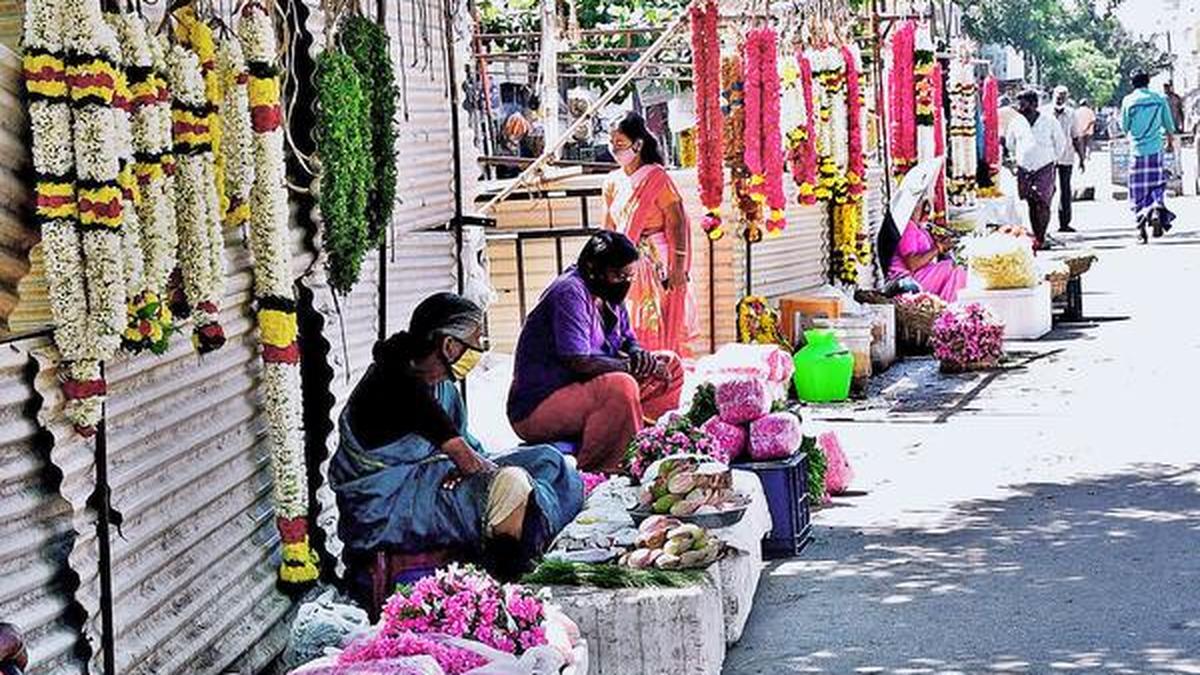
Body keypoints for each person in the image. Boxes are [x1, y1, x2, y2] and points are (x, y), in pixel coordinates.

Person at [330, 293, 584, 584]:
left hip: (433, 476)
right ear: (450, 346)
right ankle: (512, 577)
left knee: (548, 459)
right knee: (512, 485)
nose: (479, 349)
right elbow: (468, 461)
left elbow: (466, 449)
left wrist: (462, 466)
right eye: (476, 341)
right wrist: (469, 469)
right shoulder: (396, 384)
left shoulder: (439, 382)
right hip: (390, 503)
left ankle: (537, 531)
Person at [507, 231, 685, 473]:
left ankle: (648, 442)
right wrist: (628, 367)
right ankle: (611, 468)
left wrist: (638, 354)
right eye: (619, 275)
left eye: (629, 276)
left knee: (669, 366)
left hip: (585, 390)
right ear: (593, 268)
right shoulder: (570, 291)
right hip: (539, 406)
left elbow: (628, 340)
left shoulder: (609, 293)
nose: (625, 282)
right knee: (620, 386)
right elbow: (577, 361)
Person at [602, 112, 700, 356]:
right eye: (612, 143)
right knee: (629, 322)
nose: (615, 149)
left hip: (658, 265)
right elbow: (608, 228)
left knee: (657, 322)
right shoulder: (612, 182)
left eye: (621, 143)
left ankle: (662, 370)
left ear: (638, 144)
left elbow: (676, 220)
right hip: (626, 265)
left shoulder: (656, 178)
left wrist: (678, 267)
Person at [1005, 89, 1067, 250]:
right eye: (1019, 103)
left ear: (1034, 104)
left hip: (1044, 167)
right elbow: (1010, 144)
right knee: (1031, 202)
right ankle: (1038, 237)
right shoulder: (1016, 122)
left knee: (1044, 203)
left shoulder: (1049, 121)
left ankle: (1041, 235)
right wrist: (1018, 159)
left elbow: (1060, 143)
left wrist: (1052, 160)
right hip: (1024, 168)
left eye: (1023, 103)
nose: (1020, 106)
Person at [1121, 70, 1177, 241]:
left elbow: (1125, 127)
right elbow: (1169, 124)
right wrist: (1169, 142)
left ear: (1132, 83)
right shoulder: (1159, 99)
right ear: (1148, 82)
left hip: (1137, 151)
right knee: (1157, 184)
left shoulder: (1128, 101)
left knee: (1137, 189)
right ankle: (1155, 209)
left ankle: (1140, 227)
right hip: (1155, 150)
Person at [889, 197, 968, 303]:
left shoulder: (919, 228)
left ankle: (948, 307)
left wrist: (938, 243)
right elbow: (912, 264)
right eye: (924, 209)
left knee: (955, 268)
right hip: (906, 278)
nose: (927, 215)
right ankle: (948, 308)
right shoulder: (908, 227)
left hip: (918, 274)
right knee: (953, 270)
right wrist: (938, 248)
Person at [1048, 86, 1080, 234]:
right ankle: (1044, 223)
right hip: (1048, 157)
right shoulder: (1044, 112)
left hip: (1066, 156)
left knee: (1065, 189)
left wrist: (1082, 157)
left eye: (1063, 96)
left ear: (1067, 98)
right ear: (1053, 95)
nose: (1060, 98)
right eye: (1058, 95)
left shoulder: (1072, 114)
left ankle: (1065, 223)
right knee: (1048, 189)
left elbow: (1075, 136)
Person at [1075, 98, 1097, 167]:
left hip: (1080, 131)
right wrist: (1088, 127)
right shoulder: (1090, 111)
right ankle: (1088, 155)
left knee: (1081, 145)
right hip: (1089, 131)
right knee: (1088, 144)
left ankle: (1082, 157)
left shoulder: (1077, 111)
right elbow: (1093, 120)